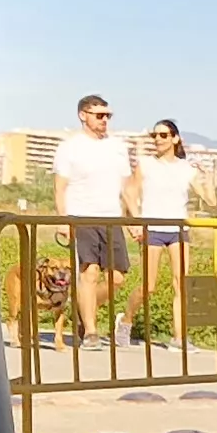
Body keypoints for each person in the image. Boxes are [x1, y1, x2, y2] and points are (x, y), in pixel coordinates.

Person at [51, 94, 135, 348]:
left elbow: (127, 187)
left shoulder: (117, 146)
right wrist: (63, 219)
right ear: (83, 115)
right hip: (82, 215)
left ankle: (83, 309)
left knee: (117, 277)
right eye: (99, 115)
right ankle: (90, 331)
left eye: (108, 115)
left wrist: (134, 219)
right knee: (89, 273)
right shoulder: (70, 147)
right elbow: (60, 187)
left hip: (111, 217)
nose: (104, 120)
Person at [136, 120, 198, 291]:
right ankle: (126, 317)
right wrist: (134, 224)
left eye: (163, 135)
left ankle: (179, 319)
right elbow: (130, 193)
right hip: (152, 228)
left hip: (178, 230)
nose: (158, 139)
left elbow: (211, 200)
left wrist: (207, 177)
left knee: (180, 285)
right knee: (148, 286)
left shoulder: (186, 167)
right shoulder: (146, 164)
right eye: (154, 135)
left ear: (175, 139)